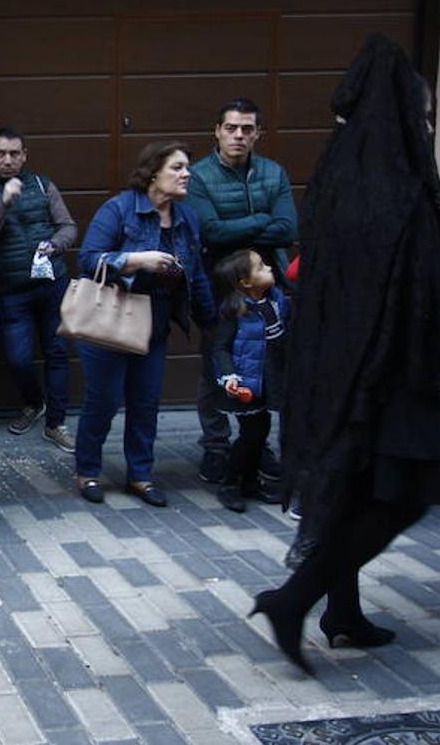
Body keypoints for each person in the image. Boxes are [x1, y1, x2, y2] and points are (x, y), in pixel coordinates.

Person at [250, 35, 440, 675]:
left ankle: (340, 612)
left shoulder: (343, 174)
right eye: (424, 116)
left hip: (350, 367)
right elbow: (413, 287)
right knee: (401, 493)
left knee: (356, 490)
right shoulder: (396, 189)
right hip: (392, 371)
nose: (427, 126)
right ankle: (295, 600)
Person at [73, 141, 216, 508]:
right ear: (154, 172)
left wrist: (211, 320)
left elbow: (196, 274)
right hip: (111, 322)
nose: (187, 174)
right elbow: (89, 260)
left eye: (187, 168)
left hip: (155, 322)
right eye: (178, 167)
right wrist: (137, 260)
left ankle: (140, 474)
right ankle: (87, 470)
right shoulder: (119, 209)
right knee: (103, 401)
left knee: (146, 402)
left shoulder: (187, 218)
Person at [187, 98, 296, 488]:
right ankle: (215, 445)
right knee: (217, 361)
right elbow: (210, 232)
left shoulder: (273, 172)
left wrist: (243, 226)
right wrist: (262, 220)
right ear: (216, 131)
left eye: (247, 129)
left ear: (258, 133)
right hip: (218, 285)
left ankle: (255, 442)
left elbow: (287, 228)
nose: (239, 135)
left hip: (267, 280)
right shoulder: (198, 177)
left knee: (266, 360)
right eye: (231, 127)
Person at [0, 127, 78, 450]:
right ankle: (33, 402)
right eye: (0, 153)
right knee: (18, 358)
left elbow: (68, 226)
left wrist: (56, 244)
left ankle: (56, 423)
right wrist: (4, 204)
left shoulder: (44, 185)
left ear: (24, 155)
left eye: (14, 153)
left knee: (57, 353)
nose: (7, 160)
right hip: (10, 289)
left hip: (52, 284)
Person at [209, 249, 289, 513]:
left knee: (260, 431)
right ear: (245, 283)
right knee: (252, 434)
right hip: (244, 383)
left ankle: (250, 482)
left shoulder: (276, 300)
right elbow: (220, 347)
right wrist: (229, 376)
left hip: (268, 381)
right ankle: (230, 484)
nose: (269, 268)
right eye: (261, 267)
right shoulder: (235, 310)